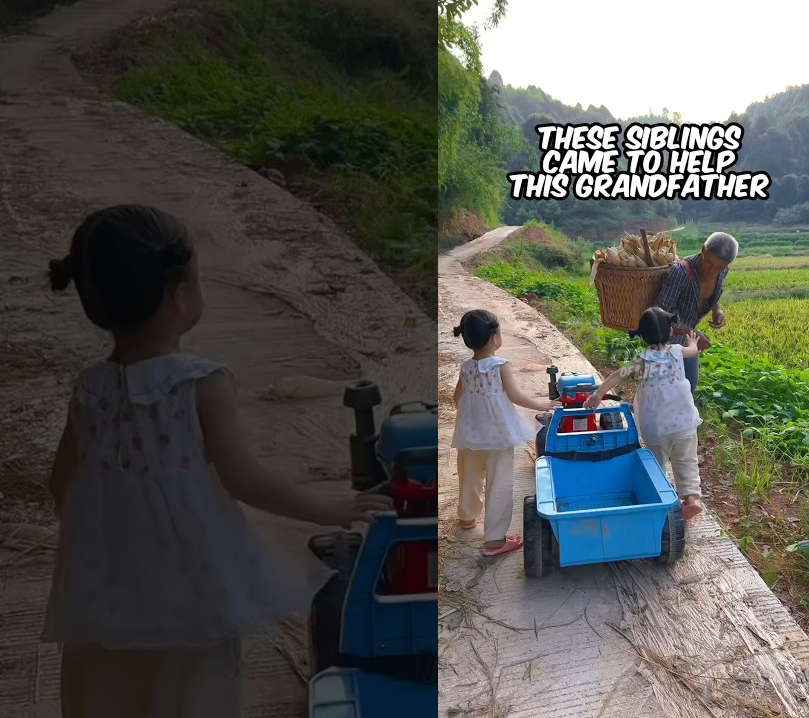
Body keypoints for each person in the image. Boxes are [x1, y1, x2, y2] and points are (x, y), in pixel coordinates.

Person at [42, 204, 392, 718]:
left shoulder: (89, 390)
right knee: (194, 693)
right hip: (191, 592)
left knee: (105, 692)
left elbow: (60, 486)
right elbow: (244, 477)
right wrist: (327, 508)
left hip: (104, 592)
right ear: (180, 295)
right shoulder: (199, 382)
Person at [450, 309, 556, 557]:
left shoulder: (466, 368)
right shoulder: (501, 365)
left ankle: (467, 517)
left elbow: (457, 398)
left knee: (470, 476)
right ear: (494, 338)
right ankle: (495, 540)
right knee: (499, 484)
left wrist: (472, 414)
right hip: (498, 437)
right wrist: (542, 405)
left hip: (469, 435)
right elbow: (515, 395)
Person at [586, 307, 706, 520]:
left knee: (656, 463)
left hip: (656, 426)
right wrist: (694, 343)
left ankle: (658, 499)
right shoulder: (678, 352)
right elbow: (693, 351)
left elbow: (618, 375)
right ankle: (691, 499)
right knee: (686, 460)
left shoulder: (643, 360)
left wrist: (597, 395)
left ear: (642, 336)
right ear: (670, 331)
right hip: (683, 422)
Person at [654, 231, 738, 394]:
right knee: (661, 390)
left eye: (719, 267)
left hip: (687, 340)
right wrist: (690, 333)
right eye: (709, 263)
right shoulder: (681, 272)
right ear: (703, 250)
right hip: (665, 341)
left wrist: (716, 309)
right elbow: (661, 313)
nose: (712, 271)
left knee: (689, 385)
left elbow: (711, 297)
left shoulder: (722, 271)